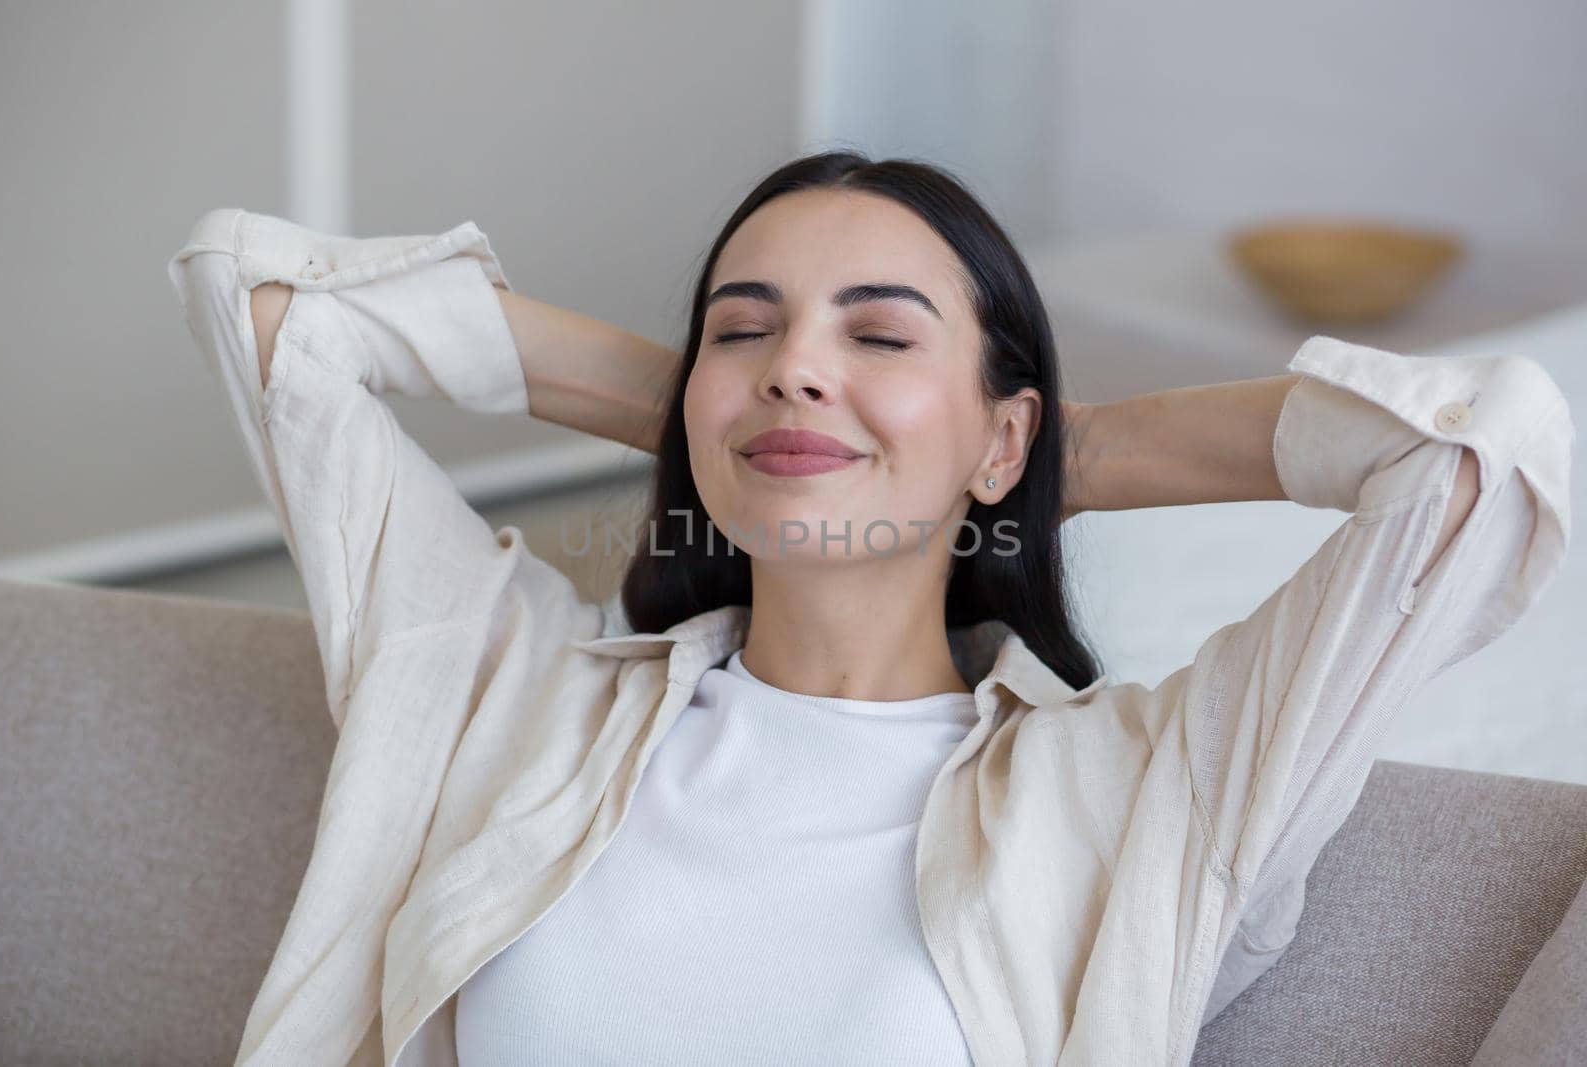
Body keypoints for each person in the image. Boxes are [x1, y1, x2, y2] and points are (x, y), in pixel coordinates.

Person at [166, 152, 1572, 1067]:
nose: (796, 369)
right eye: (743, 326)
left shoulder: (1141, 791)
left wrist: (1051, 455)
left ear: (1007, 437)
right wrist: (717, 412)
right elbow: (270, 303)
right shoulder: (506, 690)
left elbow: (1475, 469)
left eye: (882, 334)